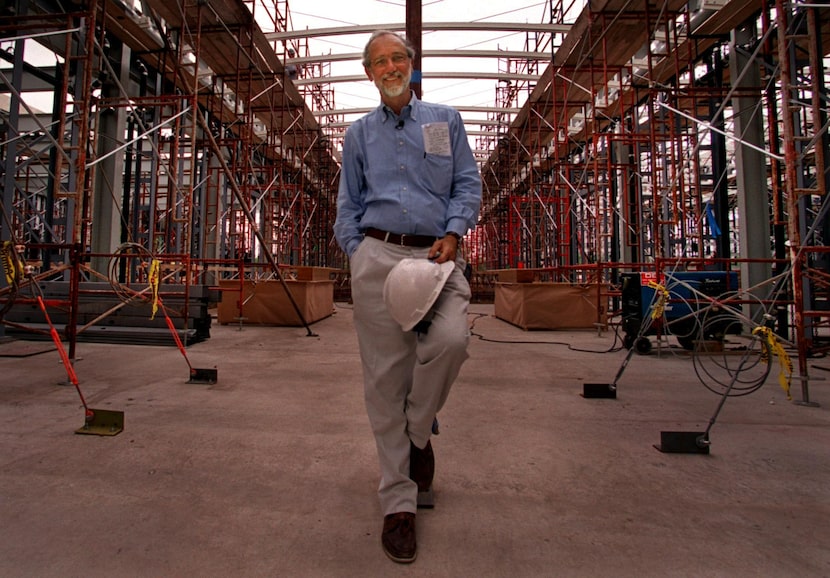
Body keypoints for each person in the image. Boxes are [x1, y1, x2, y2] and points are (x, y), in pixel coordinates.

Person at [334, 30, 481, 564]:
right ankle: (399, 503)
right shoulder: (357, 135)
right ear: (369, 73)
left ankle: (418, 434)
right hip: (377, 256)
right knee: (384, 381)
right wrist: (357, 253)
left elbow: (466, 184)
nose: (391, 67)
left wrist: (456, 231)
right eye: (380, 61)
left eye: (399, 58)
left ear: (412, 66)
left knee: (452, 341)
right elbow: (347, 203)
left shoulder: (444, 121)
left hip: (437, 257)